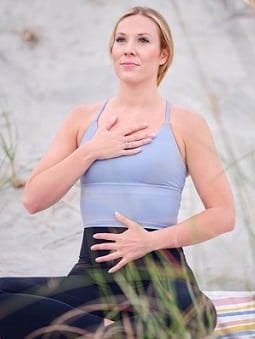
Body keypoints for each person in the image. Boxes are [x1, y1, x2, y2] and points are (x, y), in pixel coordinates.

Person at [0, 6, 235, 339]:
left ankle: (88, 330)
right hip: (93, 276)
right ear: (112, 50)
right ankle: (108, 330)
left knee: (195, 312)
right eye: (121, 39)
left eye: (142, 40)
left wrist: (150, 241)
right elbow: (33, 199)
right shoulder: (81, 120)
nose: (128, 48)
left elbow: (223, 215)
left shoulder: (186, 123)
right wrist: (92, 150)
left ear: (163, 54)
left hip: (161, 273)